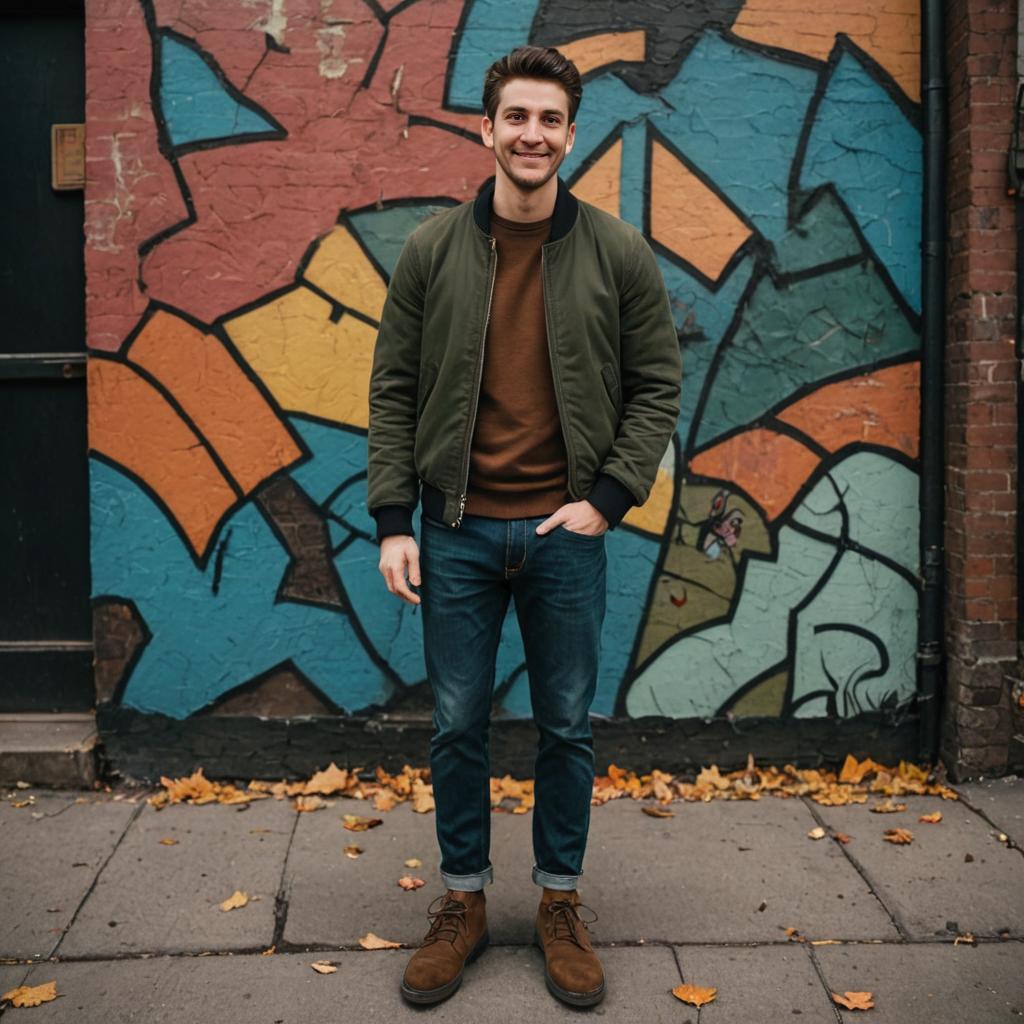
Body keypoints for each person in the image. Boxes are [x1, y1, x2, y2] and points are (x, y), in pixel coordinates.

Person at [367, 45, 681, 1008]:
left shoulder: (616, 253)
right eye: (516, 118)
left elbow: (658, 386)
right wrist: (393, 521)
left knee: (565, 731)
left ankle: (557, 903)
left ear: (571, 135)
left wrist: (608, 501)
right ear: (489, 128)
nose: (532, 135)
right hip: (454, 531)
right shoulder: (432, 250)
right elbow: (392, 391)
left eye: (550, 120)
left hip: (565, 538)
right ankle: (461, 903)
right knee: (457, 724)